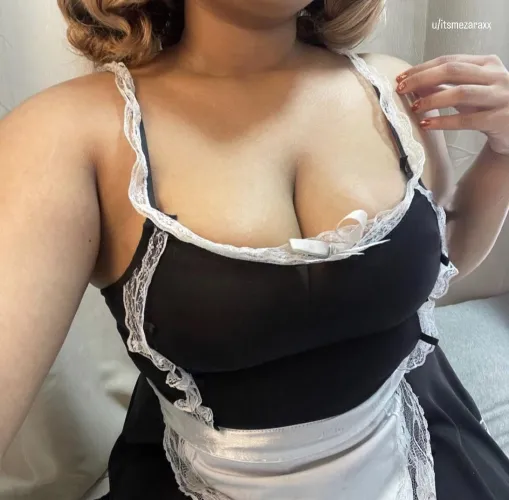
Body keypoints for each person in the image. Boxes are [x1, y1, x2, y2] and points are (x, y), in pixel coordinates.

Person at [1, 0, 509, 498]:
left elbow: (441, 260)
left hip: (422, 447)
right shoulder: (64, 134)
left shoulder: (394, 86)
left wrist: (503, 152)